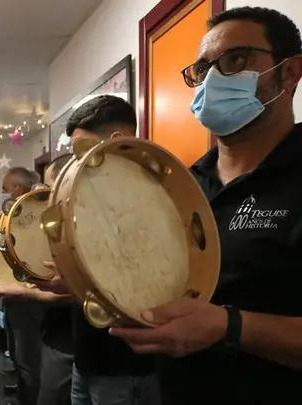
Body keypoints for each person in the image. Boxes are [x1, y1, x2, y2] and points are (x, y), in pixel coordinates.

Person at [108, 7, 302, 405]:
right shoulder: (181, 184)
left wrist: (229, 327)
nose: (212, 80)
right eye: (202, 69)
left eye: (236, 60)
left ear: (290, 72)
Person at [65, 96, 161, 405]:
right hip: (88, 356)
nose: (76, 161)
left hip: (125, 367)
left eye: (82, 148)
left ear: (117, 140)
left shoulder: (151, 198)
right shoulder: (91, 196)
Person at [0, 167, 53, 405]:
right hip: (20, 294)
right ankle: (23, 392)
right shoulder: (21, 212)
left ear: (18, 188)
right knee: (21, 354)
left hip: (32, 295)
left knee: (29, 358)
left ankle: (29, 397)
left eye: (5, 188)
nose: (4, 193)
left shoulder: (41, 211)